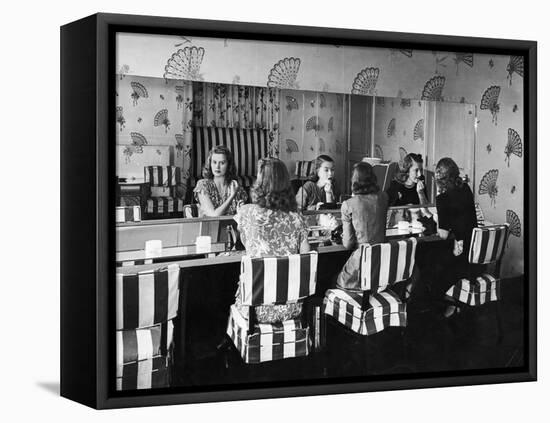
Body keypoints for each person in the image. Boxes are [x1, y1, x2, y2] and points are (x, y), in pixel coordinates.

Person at [234, 158, 310, 323]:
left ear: (260, 182)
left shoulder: (246, 213)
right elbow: (305, 259)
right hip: (292, 308)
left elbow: (247, 244)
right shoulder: (298, 218)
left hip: (255, 309)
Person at [433, 157, 478, 317]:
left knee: (428, 259)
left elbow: (443, 234)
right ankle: (453, 298)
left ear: (438, 178)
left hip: (460, 258)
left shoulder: (442, 198)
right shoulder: (465, 188)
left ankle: (445, 299)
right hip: (474, 253)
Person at [336, 162, 389, 290]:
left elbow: (348, 244)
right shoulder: (383, 197)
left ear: (354, 181)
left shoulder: (349, 204)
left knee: (335, 279)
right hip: (381, 264)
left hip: (360, 266)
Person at [193, 145, 247, 216]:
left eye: (222, 163)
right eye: (214, 162)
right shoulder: (203, 185)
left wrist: (242, 209)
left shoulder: (235, 187)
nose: (217, 167)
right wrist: (232, 196)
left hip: (231, 226)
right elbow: (214, 215)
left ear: (229, 165)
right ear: (210, 164)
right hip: (210, 226)